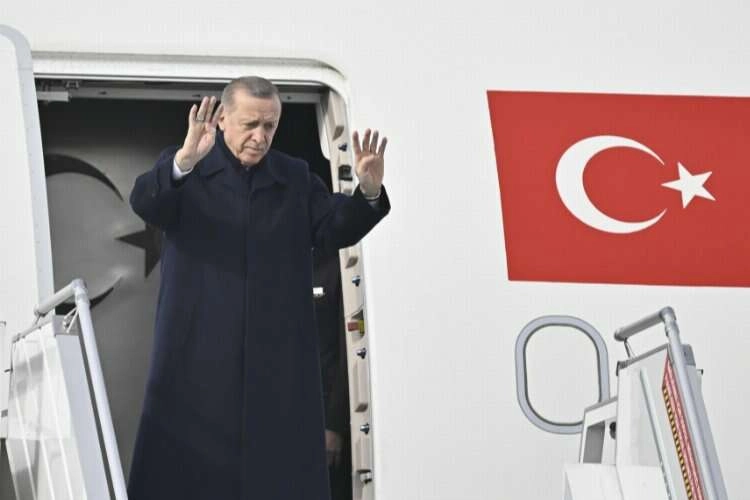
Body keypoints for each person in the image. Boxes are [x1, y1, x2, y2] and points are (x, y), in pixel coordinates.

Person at [127, 76, 390, 500]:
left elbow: (335, 227)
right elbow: (146, 202)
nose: (260, 136)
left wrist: (369, 192)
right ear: (222, 119)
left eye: (270, 126)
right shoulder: (186, 170)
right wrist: (184, 160)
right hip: (198, 362)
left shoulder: (294, 177)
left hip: (276, 367)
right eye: (250, 124)